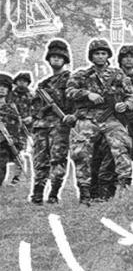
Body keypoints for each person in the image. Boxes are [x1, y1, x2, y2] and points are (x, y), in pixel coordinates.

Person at [66, 39, 133, 205]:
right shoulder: (81, 75)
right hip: (88, 117)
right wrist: (87, 94)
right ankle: (84, 192)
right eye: (97, 53)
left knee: (122, 146)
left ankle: (124, 189)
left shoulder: (117, 75)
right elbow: (69, 91)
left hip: (111, 118)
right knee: (81, 151)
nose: (100, 56)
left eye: (103, 53)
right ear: (91, 56)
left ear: (108, 56)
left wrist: (125, 105)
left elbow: (131, 96)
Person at [90, 45, 133, 201]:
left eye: (132, 57)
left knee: (126, 159)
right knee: (107, 160)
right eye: (125, 57)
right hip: (115, 123)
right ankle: (103, 194)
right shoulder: (114, 78)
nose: (129, 60)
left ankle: (121, 194)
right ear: (120, 59)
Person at [30, 40, 76, 204]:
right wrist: (41, 111)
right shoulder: (43, 84)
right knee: (40, 161)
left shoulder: (70, 80)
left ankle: (54, 194)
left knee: (58, 159)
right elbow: (34, 108)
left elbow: (75, 103)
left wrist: (70, 116)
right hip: (42, 127)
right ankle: (37, 193)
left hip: (60, 126)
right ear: (49, 59)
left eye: (59, 57)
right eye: (53, 57)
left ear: (65, 60)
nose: (56, 60)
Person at [0, 73, 24, 187]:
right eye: (0, 86)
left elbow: (16, 128)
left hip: (3, 145)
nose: (2, 89)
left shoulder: (11, 108)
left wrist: (16, 143)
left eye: (5, 87)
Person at [9, 71, 33, 185]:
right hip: (9, 128)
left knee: (18, 152)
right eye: (20, 81)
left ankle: (17, 177)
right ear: (16, 82)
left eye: (24, 81)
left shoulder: (32, 96)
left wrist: (30, 118)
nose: (22, 83)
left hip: (24, 129)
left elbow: (37, 111)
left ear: (28, 83)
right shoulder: (9, 95)